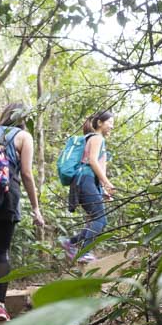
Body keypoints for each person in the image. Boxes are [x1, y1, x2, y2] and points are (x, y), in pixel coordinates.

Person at [0, 102, 45, 322]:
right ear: (23, 117)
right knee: (1, 251)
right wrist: (36, 209)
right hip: (8, 195)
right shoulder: (23, 137)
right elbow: (28, 174)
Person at [60, 110, 115, 263]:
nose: (112, 126)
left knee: (99, 220)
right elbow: (92, 161)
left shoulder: (91, 139)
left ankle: (71, 243)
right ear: (99, 123)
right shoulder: (97, 138)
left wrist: (102, 190)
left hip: (85, 181)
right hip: (85, 180)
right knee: (99, 219)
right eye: (110, 122)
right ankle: (84, 251)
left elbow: (95, 166)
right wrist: (107, 183)